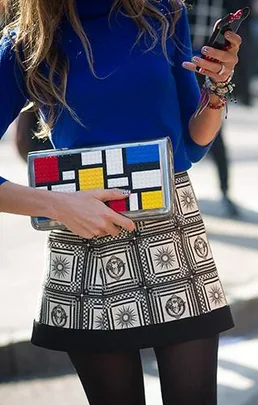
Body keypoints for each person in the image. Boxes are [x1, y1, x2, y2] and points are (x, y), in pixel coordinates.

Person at [0, 0, 242, 404]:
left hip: (174, 243)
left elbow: (193, 142)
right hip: (86, 249)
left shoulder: (163, 14)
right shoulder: (26, 41)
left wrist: (218, 87)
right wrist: (56, 205)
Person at [187, 0, 254, 217]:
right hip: (182, 65)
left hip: (212, 69)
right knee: (174, 132)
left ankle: (225, 192)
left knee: (215, 134)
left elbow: (243, 34)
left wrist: (243, 86)